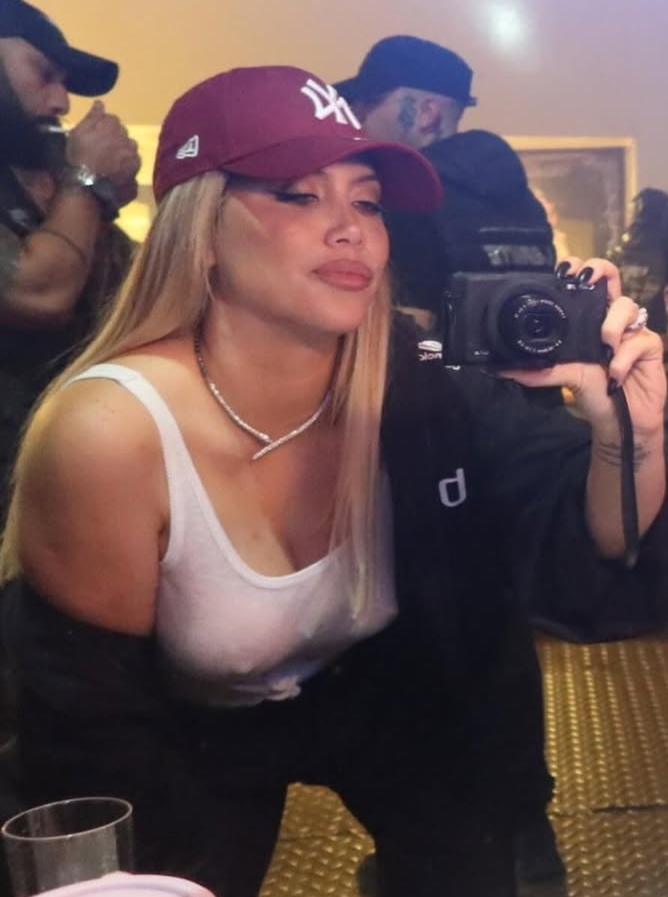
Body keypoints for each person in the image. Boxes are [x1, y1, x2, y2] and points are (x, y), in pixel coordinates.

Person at [0, 64, 666, 897]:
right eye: (299, 195)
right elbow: (87, 750)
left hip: (388, 695)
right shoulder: (112, 433)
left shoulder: (413, 380)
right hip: (181, 729)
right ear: (202, 229)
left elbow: (594, 538)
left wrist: (632, 434)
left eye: (369, 201)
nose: (351, 228)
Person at [335, 34, 563, 887]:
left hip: (416, 436)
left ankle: (436, 850)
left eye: (366, 106)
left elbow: (401, 328)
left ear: (418, 111)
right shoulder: (511, 197)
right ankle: (518, 838)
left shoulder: (414, 197)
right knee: (493, 643)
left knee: (412, 650)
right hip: (514, 432)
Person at [0, 0, 141, 524]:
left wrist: (102, 206)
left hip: (48, 487)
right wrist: (88, 181)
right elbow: (36, 295)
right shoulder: (72, 179)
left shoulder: (43, 174)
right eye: (44, 74)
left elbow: (123, 303)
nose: (62, 102)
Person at [334, 34, 556, 338]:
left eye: (369, 104)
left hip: (428, 368)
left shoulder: (405, 195)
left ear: (427, 113)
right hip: (534, 366)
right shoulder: (523, 202)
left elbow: (405, 332)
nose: (357, 119)